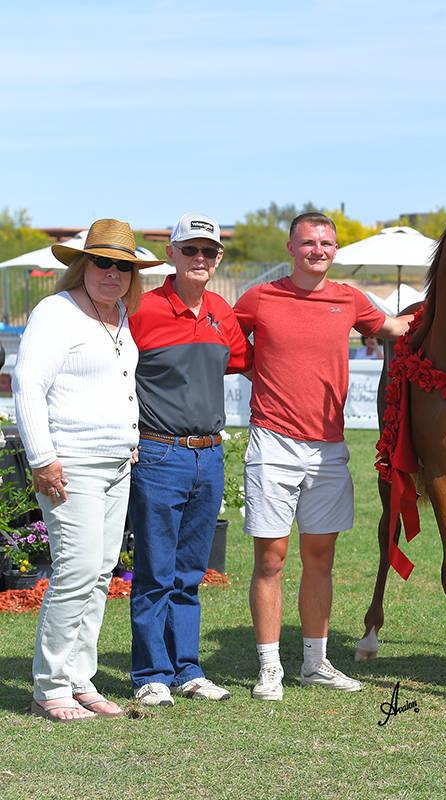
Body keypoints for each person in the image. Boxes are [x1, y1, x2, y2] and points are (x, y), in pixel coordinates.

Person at [234, 212, 412, 701]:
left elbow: (395, 327)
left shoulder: (349, 298)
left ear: (335, 250)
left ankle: (315, 663)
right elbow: (225, 340)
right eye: (309, 242)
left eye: (326, 244)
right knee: (270, 559)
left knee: (321, 559)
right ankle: (270, 667)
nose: (318, 250)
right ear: (291, 248)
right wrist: (259, 370)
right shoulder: (259, 298)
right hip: (272, 443)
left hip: (329, 449)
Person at [12, 219, 164, 721]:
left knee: (99, 574)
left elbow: (117, 384)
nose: (113, 273)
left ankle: (79, 679)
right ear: (82, 264)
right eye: (103, 262)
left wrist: (129, 437)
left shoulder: (119, 315)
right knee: (76, 572)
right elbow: (27, 385)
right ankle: (50, 686)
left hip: (116, 462)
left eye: (124, 266)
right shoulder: (56, 312)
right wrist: (42, 458)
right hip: (70, 463)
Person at [127, 214, 250, 707]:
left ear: (218, 258)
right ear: (171, 254)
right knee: (155, 572)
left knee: (190, 573)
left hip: (209, 455)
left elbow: (244, 362)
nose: (201, 258)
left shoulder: (222, 310)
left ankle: (188, 670)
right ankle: (150, 674)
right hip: (158, 453)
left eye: (209, 251)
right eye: (191, 249)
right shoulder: (140, 309)